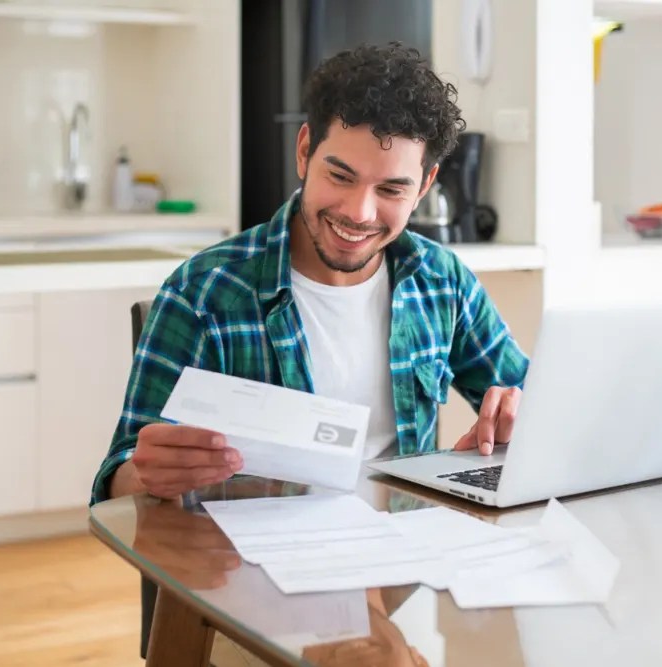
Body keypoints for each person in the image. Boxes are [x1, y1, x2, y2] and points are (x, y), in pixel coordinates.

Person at [91, 42, 528, 505]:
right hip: (250, 568)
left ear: (423, 186)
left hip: (402, 560)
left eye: (390, 189)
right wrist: (146, 476)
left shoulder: (441, 281)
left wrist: (518, 414)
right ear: (304, 152)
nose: (359, 213)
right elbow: (116, 485)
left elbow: (535, 402)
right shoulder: (203, 293)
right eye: (340, 177)